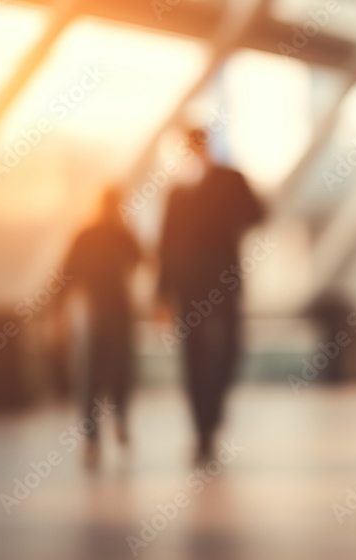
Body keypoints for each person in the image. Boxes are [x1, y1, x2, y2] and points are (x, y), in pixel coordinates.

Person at [157, 128, 265, 463]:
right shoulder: (177, 191)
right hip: (188, 287)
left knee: (230, 349)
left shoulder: (230, 180)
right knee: (193, 358)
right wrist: (161, 294)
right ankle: (202, 430)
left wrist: (225, 214)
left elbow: (258, 213)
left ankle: (213, 416)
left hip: (223, 282)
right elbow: (166, 244)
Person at [60, 187, 142, 469]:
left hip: (95, 315)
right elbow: (141, 260)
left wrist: (57, 313)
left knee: (91, 379)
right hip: (115, 313)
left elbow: (66, 275)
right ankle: (116, 423)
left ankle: (94, 439)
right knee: (118, 373)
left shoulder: (87, 235)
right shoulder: (121, 234)